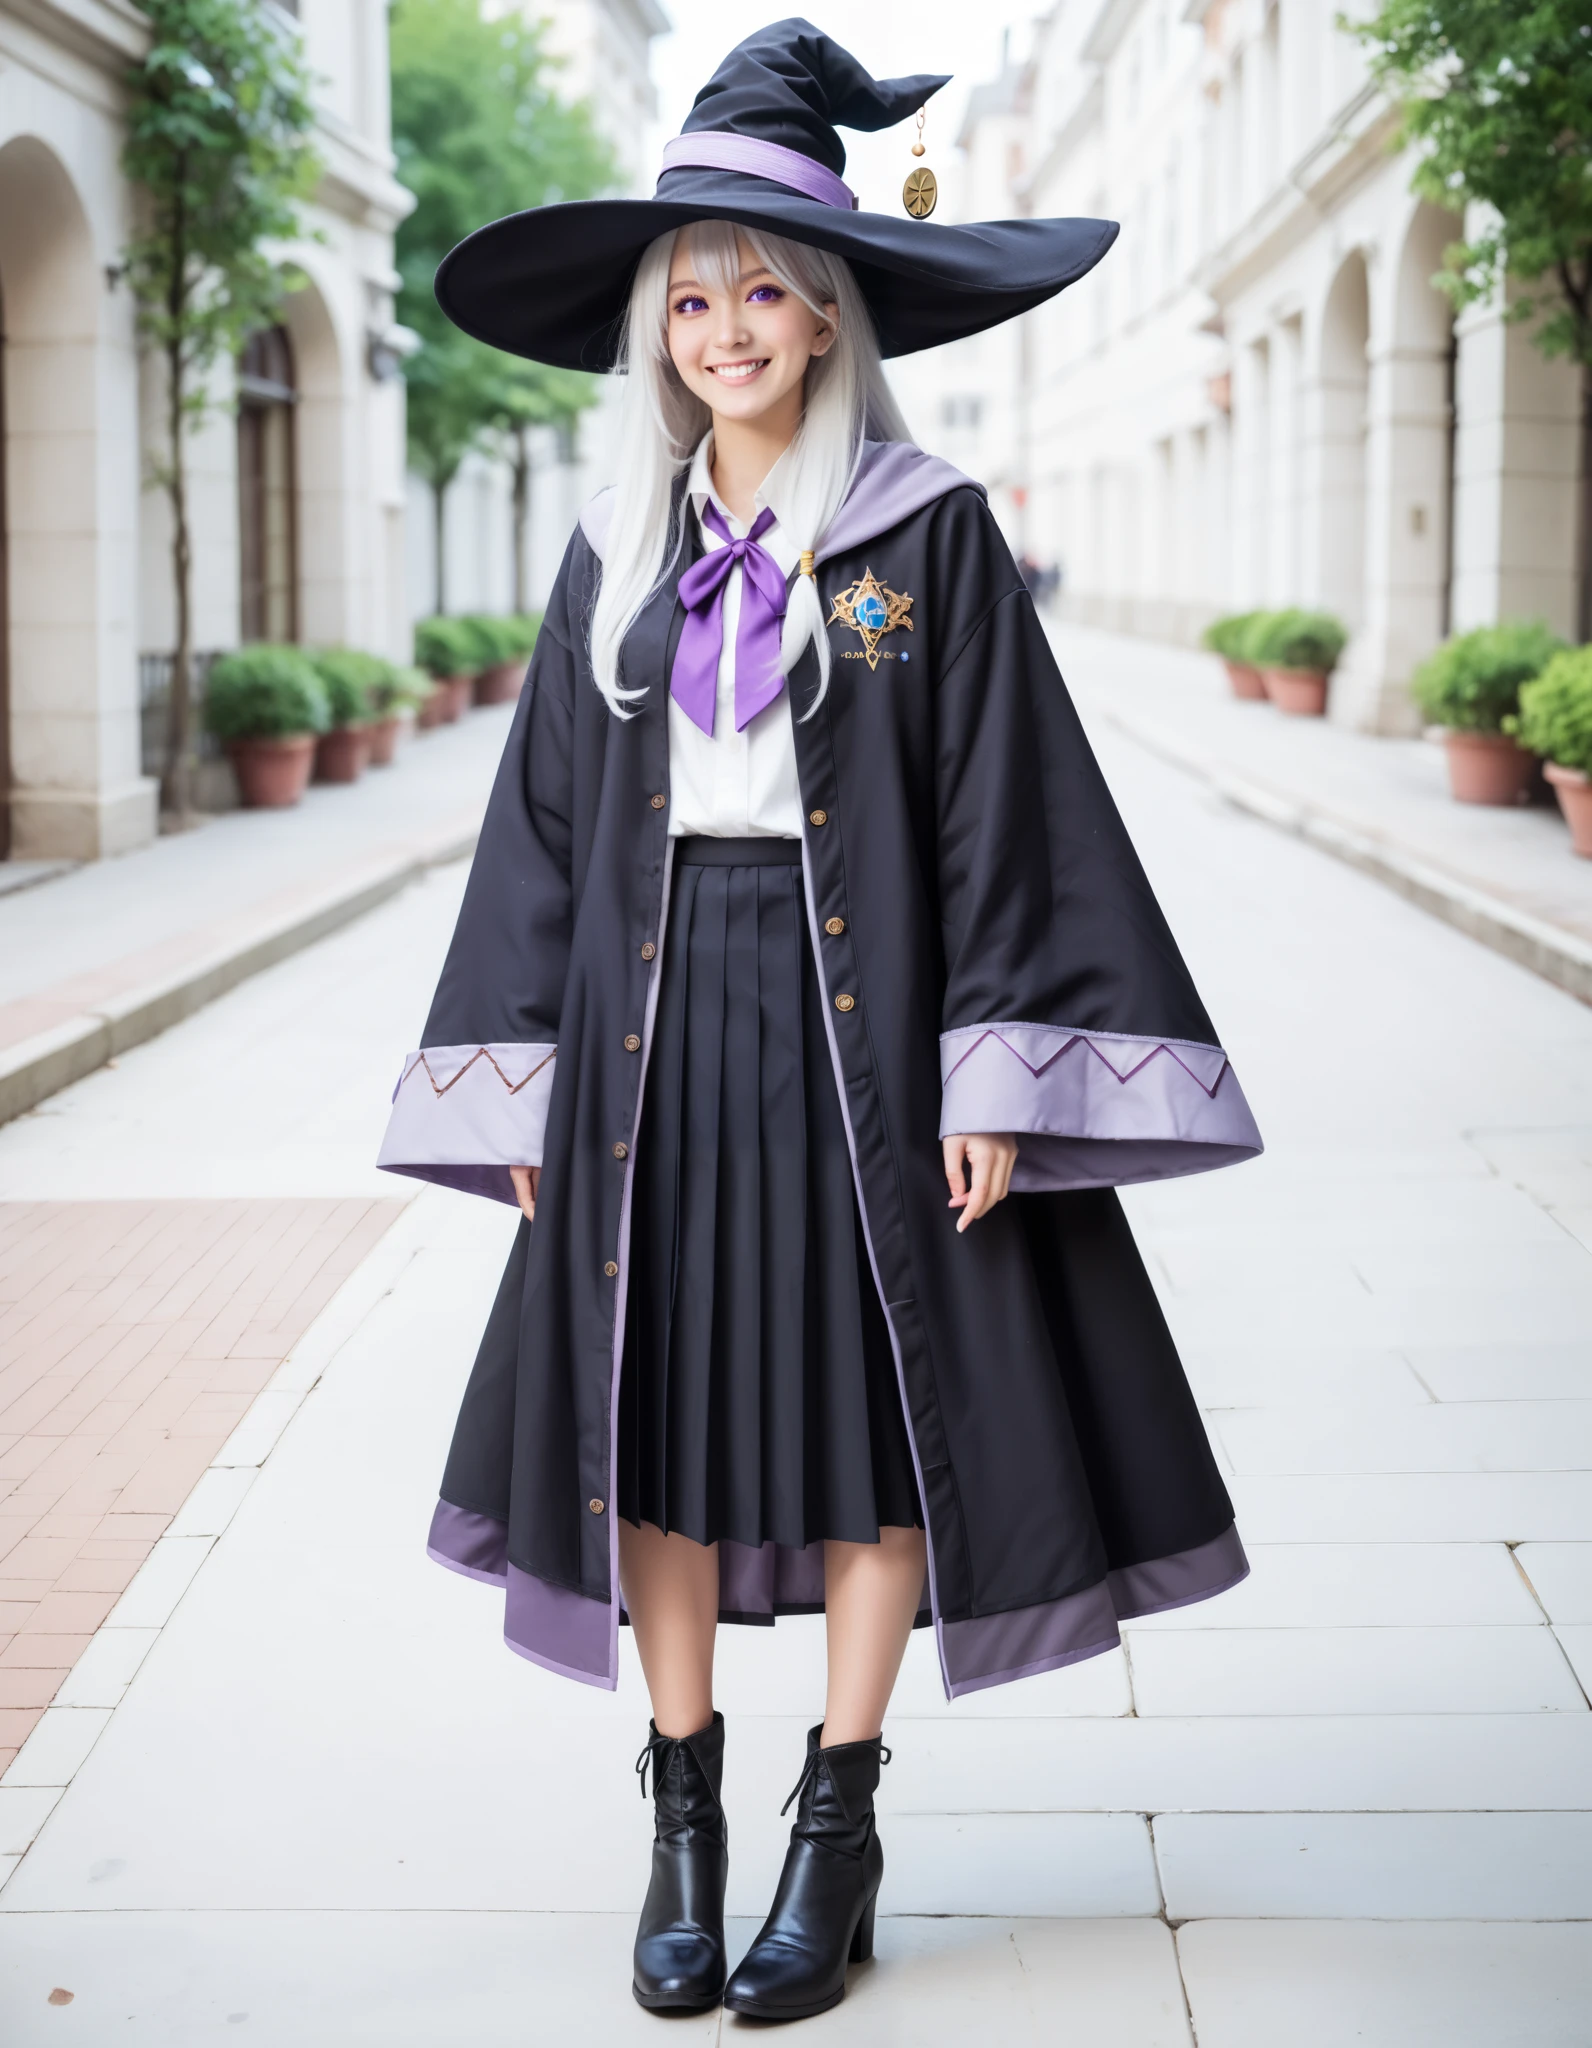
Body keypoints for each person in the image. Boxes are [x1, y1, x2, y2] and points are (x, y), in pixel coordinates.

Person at [377, 21, 1262, 2025]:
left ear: (832, 308)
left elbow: (1002, 807)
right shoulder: (620, 549)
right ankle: (679, 1824)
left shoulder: (911, 539)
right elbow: (539, 829)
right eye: (689, 293)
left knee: (877, 1440)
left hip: (870, 1037)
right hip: (648, 1035)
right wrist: (514, 1059)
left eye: (762, 285)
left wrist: (993, 1066)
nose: (724, 322)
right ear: (652, 326)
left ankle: (834, 1826)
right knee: (656, 1433)